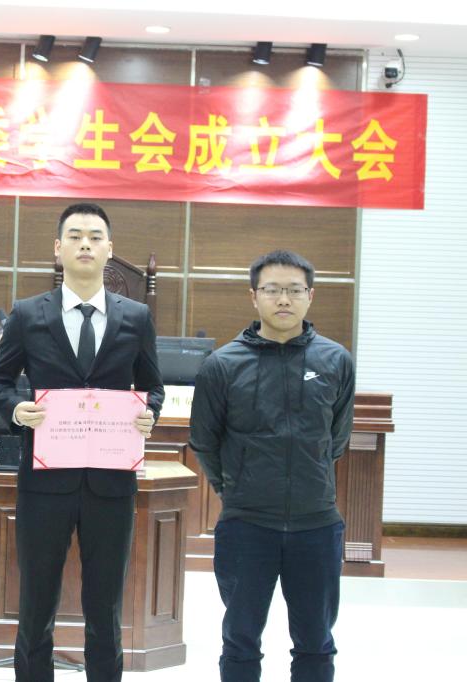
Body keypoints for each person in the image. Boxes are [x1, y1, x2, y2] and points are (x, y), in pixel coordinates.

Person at [0, 203, 164, 682]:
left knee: (105, 608)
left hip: (111, 482)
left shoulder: (136, 317)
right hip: (45, 480)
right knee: (36, 603)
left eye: (95, 236)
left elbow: (154, 386)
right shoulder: (27, 314)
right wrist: (16, 410)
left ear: (110, 249)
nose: (86, 244)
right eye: (76, 235)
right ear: (58, 248)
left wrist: (149, 413)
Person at [188, 249, 355, 682]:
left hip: (316, 523)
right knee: (240, 641)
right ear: (254, 296)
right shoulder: (223, 365)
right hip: (246, 525)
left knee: (316, 642)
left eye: (294, 290)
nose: (284, 299)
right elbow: (204, 440)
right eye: (273, 290)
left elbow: (336, 438)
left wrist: (310, 474)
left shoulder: (335, 360)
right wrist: (236, 487)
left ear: (310, 296)